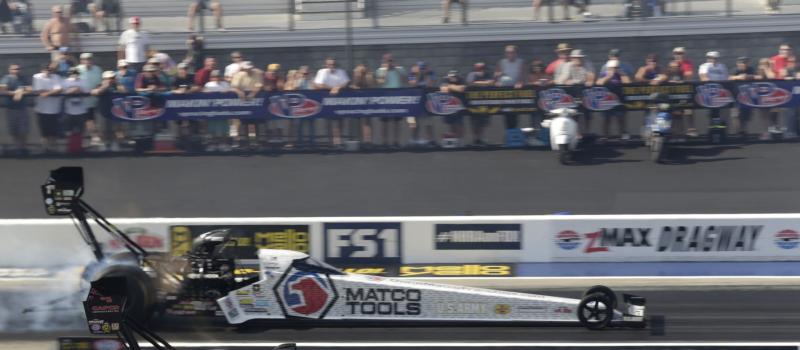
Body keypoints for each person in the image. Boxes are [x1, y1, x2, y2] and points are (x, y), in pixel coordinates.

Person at [313, 58, 350, 148]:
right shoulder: (322, 72)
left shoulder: (341, 71)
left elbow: (347, 82)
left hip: (340, 100)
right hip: (326, 100)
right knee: (329, 121)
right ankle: (331, 141)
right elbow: (318, 84)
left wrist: (338, 87)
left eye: (333, 64)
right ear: (326, 65)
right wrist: (332, 88)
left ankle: (338, 141)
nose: (331, 66)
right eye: (329, 65)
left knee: (340, 120)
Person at [375, 53, 407, 148]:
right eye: (387, 61)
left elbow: (405, 81)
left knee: (396, 121)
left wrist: (398, 70)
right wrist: (385, 71)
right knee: (384, 121)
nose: (389, 63)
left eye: (390, 60)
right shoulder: (379, 71)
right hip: (384, 98)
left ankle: (396, 141)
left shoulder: (400, 69)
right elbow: (380, 82)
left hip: (397, 97)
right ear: (383, 61)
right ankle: (385, 142)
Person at [230, 61, 263, 147]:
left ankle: (253, 141)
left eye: (250, 68)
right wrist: (240, 92)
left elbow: (259, 86)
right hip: (239, 102)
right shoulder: (239, 75)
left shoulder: (257, 73)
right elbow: (233, 87)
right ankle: (236, 141)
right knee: (237, 122)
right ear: (244, 68)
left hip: (253, 101)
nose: (249, 70)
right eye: (247, 68)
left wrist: (252, 94)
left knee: (253, 122)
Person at [0, 63, 31, 154]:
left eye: (17, 69)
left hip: (22, 108)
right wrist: (15, 93)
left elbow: (30, 89)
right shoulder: (6, 78)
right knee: (14, 129)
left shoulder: (24, 78)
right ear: (9, 70)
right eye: (14, 69)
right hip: (11, 108)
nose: (16, 71)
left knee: (24, 129)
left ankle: (23, 147)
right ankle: (17, 147)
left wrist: (21, 92)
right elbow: (2, 90)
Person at [596, 60, 631, 141]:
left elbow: (628, 82)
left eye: (616, 68)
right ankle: (605, 135)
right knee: (606, 118)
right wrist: (608, 77)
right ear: (608, 68)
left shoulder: (620, 75)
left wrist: (621, 74)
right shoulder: (604, 74)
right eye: (613, 68)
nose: (614, 69)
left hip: (619, 99)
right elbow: (598, 83)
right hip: (607, 100)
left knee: (621, 117)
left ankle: (623, 133)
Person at [32, 63, 63, 152]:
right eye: (46, 69)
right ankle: (45, 148)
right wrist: (52, 91)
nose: (48, 71)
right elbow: (39, 90)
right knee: (44, 132)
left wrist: (47, 93)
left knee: (54, 131)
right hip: (41, 109)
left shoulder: (56, 77)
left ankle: (54, 148)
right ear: (41, 70)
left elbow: (59, 89)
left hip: (54, 109)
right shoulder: (37, 77)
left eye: (49, 69)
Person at [92, 70, 125, 150]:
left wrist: (117, 84)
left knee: (115, 128)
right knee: (102, 129)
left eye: (112, 78)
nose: (110, 80)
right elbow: (94, 92)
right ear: (104, 79)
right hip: (102, 110)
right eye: (108, 78)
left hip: (115, 111)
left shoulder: (117, 86)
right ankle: (104, 143)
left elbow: (124, 92)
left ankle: (114, 143)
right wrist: (105, 87)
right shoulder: (99, 85)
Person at [77, 52, 104, 148]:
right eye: (85, 59)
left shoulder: (98, 69)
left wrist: (97, 89)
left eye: (89, 59)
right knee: (88, 120)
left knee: (98, 119)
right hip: (82, 100)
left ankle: (97, 137)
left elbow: (101, 82)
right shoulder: (77, 70)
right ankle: (93, 137)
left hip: (97, 98)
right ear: (81, 61)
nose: (88, 61)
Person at [495, 45, 526, 130]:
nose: (510, 54)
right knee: (506, 112)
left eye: (512, 52)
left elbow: (522, 75)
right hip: (505, 91)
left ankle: (514, 131)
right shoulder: (502, 62)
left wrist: (520, 82)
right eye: (508, 52)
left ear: (516, 53)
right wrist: (498, 80)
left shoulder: (520, 62)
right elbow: (497, 75)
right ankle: (509, 132)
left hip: (515, 90)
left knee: (514, 113)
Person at [466, 62, 495, 145]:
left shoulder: (488, 74)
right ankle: (475, 138)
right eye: (479, 68)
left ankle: (481, 137)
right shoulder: (471, 74)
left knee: (484, 121)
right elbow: (470, 82)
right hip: (473, 102)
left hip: (485, 101)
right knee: (474, 121)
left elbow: (492, 82)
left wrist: (479, 82)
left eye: (482, 68)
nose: (480, 70)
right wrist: (484, 83)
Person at [203, 70, 231, 151]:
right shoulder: (208, 85)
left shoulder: (226, 84)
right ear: (211, 77)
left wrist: (228, 91)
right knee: (212, 129)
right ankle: (213, 144)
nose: (216, 78)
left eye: (218, 76)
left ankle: (223, 144)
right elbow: (204, 95)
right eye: (214, 76)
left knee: (224, 129)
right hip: (212, 111)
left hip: (224, 110)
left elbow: (231, 93)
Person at [730, 57, 757, 138]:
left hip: (747, 96)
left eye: (744, 63)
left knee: (746, 115)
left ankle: (743, 131)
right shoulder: (734, 70)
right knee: (735, 115)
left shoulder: (750, 69)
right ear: (738, 64)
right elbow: (728, 77)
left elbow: (757, 76)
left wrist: (748, 76)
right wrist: (738, 77)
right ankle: (737, 132)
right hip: (735, 96)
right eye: (741, 63)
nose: (743, 65)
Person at [349, 64, 375, 147]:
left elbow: (371, 85)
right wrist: (357, 77)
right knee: (358, 121)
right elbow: (352, 85)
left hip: (367, 101)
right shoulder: (355, 76)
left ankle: (368, 141)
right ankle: (359, 140)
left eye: (363, 71)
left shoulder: (368, 76)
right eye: (359, 71)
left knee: (367, 121)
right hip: (356, 101)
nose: (361, 73)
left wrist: (366, 76)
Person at [61, 67, 90, 142]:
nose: (75, 75)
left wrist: (79, 89)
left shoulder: (83, 81)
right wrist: (73, 90)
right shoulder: (65, 82)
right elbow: (63, 93)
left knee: (82, 131)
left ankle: (81, 147)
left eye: (76, 73)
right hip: (69, 111)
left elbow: (87, 92)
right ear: (69, 74)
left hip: (81, 111)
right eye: (73, 73)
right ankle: (70, 148)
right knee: (69, 131)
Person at [440, 70, 466, 142]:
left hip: (459, 106)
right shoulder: (445, 80)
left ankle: (461, 140)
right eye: (451, 77)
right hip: (448, 106)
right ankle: (454, 139)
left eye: (454, 76)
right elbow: (443, 89)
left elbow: (461, 89)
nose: (453, 78)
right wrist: (454, 87)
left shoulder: (461, 80)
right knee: (451, 124)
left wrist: (449, 86)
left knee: (460, 124)